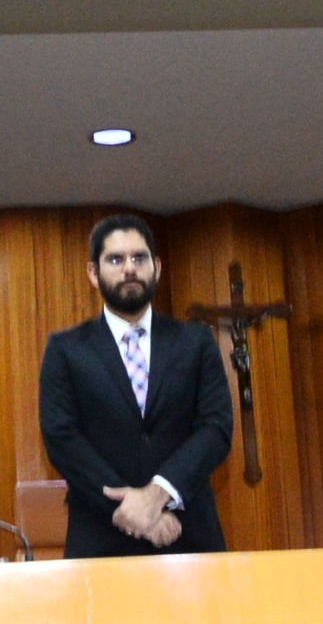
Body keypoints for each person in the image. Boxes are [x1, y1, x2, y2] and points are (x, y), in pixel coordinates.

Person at [36, 212, 232, 556]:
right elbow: (61, 438)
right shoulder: (65, 349)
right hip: (100, 534)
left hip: (187, 532)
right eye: (115, 259)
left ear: (157, 267)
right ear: (93, 273)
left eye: (139, 258)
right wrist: (133, 511)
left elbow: (216, 428)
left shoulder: (196, 341)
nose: (129, 268)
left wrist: (158, 495)